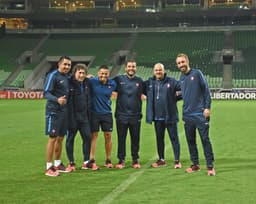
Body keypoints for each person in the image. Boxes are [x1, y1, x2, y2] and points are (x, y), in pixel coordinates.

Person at [176, 53, 216, 176]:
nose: (181, 64)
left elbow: (206, 90)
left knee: (205, 140)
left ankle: (210, 166)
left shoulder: (197, 73)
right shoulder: (181, 78)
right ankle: (195, 164)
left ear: (187, 61)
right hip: (187, 115)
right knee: (190, 141)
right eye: (179, 63)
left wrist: (207, 108)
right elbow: (185, 94)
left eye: (183, 62)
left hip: (200, 113)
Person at [145, 63, 182, 169]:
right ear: (153, 71)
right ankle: (161, 159)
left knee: (174, 138)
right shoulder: (149, 83)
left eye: (160, 70)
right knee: (159, 139)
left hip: (170, 116)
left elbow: (184, 88)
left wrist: (176, 97)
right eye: (156, 70)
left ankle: (177, 160)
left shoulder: (172, 81)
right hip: (157, 118)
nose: (158, 72)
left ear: (164, 70)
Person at [113, 59, 145, 169]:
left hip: (135, 116)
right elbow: (105, 83)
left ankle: (135, 159)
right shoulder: (118, 79)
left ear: (136, 68)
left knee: (135, 139)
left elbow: (150, 91)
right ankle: (121, 160)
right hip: (121, 115)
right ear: (126, 68)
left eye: (133, 67)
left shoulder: (140, 81)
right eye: (129, 66)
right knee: (121, 139)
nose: (131, 68)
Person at [43, 56, 72, 177]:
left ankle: (58, 164)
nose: (67, 67)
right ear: (59, 64)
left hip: (64, 112)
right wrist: (57, 99)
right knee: (52, 138)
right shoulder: (53, 75)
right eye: (65, 64)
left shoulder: (66, 77)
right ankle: (49, 167)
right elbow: (45, 93)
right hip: (53, 111)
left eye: (69, 65)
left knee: (60, 138)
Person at [87, 65, 117, 169]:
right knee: (94, 136)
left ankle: (108, 159)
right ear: (98, 73)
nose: (103, 75)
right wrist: (87, 76)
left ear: (108, 75)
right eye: (101, 73)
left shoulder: (112, 83)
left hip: (107, 113)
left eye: (105, 74)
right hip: (94, 113)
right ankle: (91, 159)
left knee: (108, 136)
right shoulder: (92, 81)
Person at [65, 63, 92, 171]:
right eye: (79, 72)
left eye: (83, 73)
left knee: (87, 137)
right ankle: (71, 162)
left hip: (84, 117)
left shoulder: (87, 83)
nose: (81, 75)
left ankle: (86, 161)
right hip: (72, 117)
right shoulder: (69, 83)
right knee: (70, 139)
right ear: (74, 73)